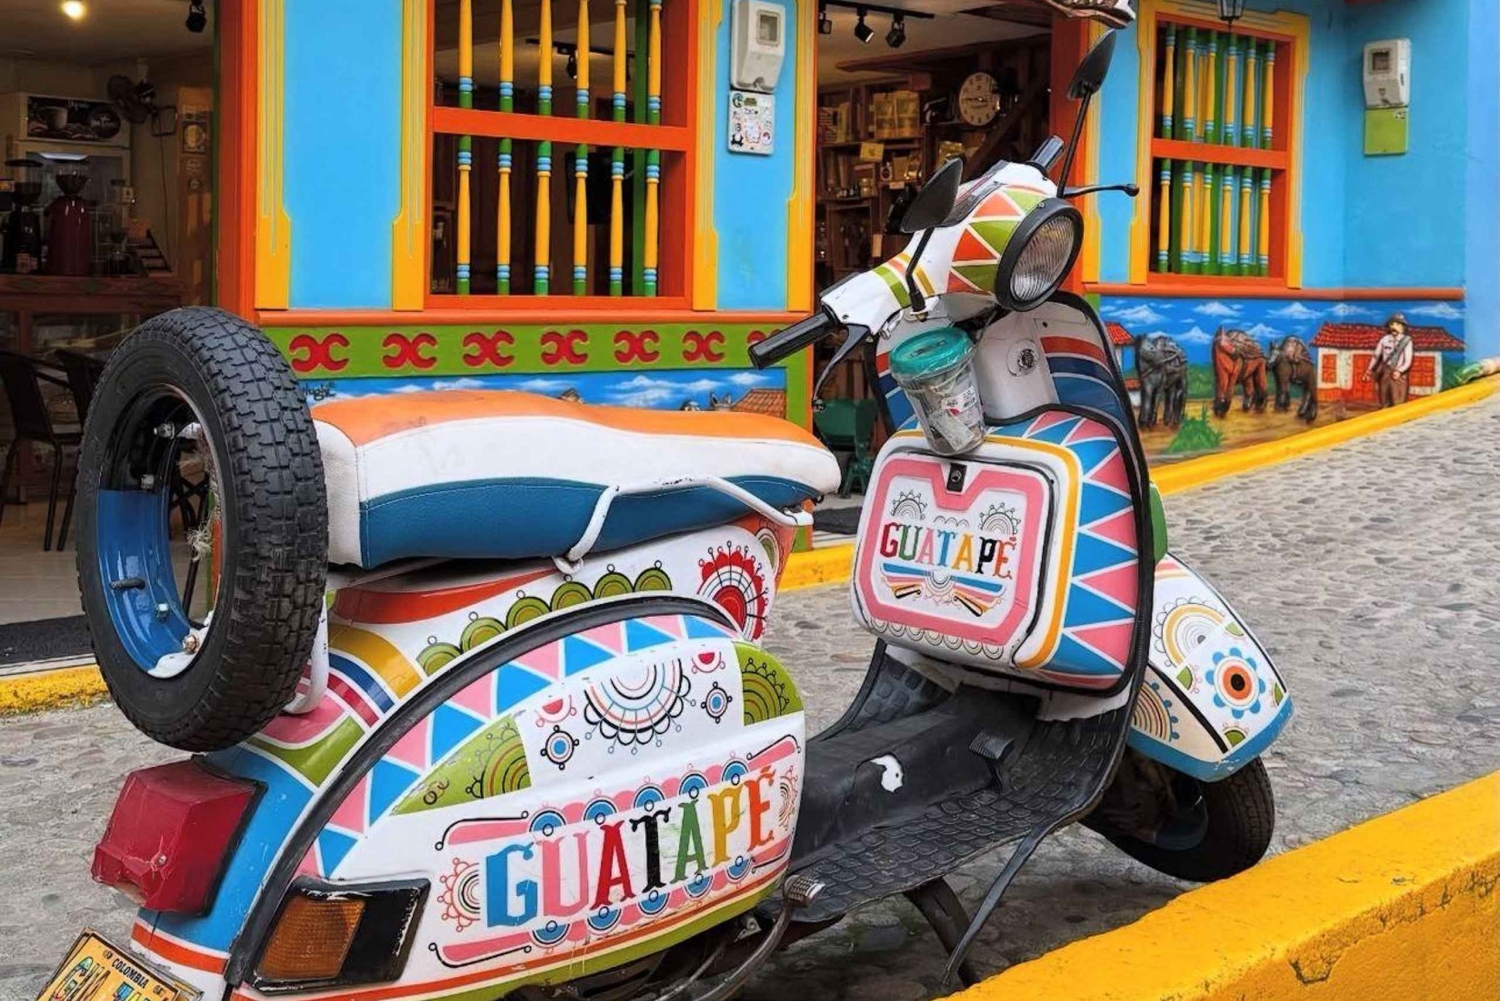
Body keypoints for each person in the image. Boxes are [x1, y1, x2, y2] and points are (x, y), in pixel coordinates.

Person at [1363, 312, 1413, 408]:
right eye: (1392, 324)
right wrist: (1369, 370)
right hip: (1386, 372)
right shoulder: (1385, 340)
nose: (1394, 327)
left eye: (1398, 324)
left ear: (1403, 327)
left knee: (1398, 401)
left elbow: (1407, 361)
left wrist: (1399, 371)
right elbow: (1376, 356)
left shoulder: (1407, 341)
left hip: (1398, 374)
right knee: (1384, 399)